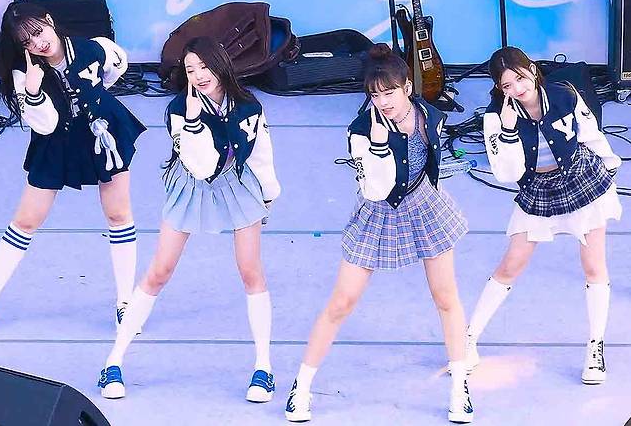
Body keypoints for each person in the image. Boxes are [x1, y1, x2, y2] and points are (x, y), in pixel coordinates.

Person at [284, 44, 474, 423]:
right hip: (378, 212)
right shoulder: (360, 131)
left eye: (389, 92)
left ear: (407, 88)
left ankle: (460, 386)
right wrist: (378, 142)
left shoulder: (430, 116)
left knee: (446, 298)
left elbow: (431, 163)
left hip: (425, 205)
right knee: (342, 302)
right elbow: (374, 189)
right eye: (375, 95)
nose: (383, 101)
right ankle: (301, 386)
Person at [97, 36, 281, 402]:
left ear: (221, 64)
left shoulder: (249, 106)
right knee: (159, 271)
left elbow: (261, 153)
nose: (198, 75)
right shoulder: (179, 110)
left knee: (251, 272)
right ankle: (113, 361)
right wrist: (195, 122)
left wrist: (267, 195)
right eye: (190, 69)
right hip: (191, 184)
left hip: (238, 183)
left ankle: (264, 368)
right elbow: (200, 165)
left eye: (204, 66)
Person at [0, 2, 146, 335]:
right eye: (27, 42)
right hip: (56, 140)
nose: (38, 43)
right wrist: (34, 91)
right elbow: (46, 124)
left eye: (38, 32)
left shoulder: (95, 48)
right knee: (25, 221)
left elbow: (115, 68)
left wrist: (93, 101)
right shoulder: (23, 75)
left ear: (50, 21)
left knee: (118, 215)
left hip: (103, 132)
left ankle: (126, 304)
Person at [465, 46, 622, 385]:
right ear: (499, 89)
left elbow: (590, 133)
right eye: (507, 85)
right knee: (510, 266)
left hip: (581, 180)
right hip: (538, 190)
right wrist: (508, 130)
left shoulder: (564, 94)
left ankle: (595, 348)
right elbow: (506, 173)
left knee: (594, 266)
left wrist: (610, 166)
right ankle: (467, 340)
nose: (517, 89)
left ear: (533, 70)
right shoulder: (495, 117)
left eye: (521, 78)